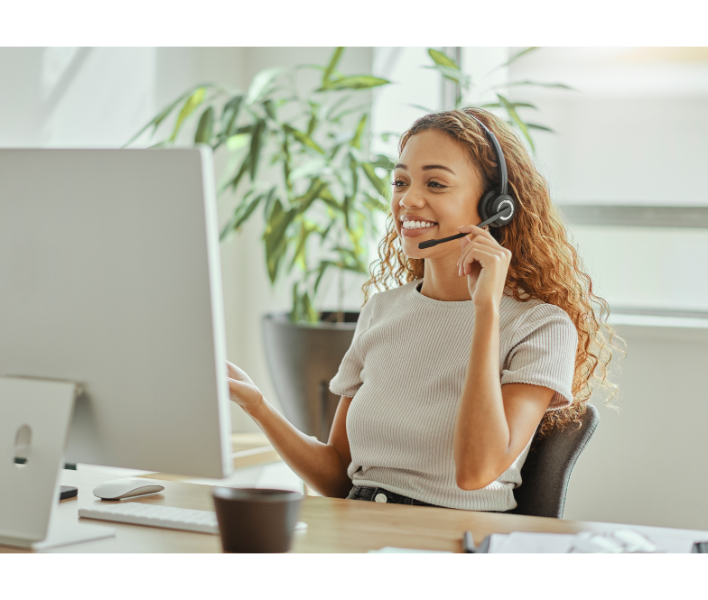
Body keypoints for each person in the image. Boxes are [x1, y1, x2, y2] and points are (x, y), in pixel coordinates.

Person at [227, 108, 620, 512]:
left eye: (435, 183)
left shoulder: (540, 326)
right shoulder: (382, 311)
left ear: (495, 205)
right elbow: (337, 475)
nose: (408, 200)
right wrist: (256, 404)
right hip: (362, 527)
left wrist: (486, 309)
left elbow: (476, 472)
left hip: (449, 534)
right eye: (400, 182)